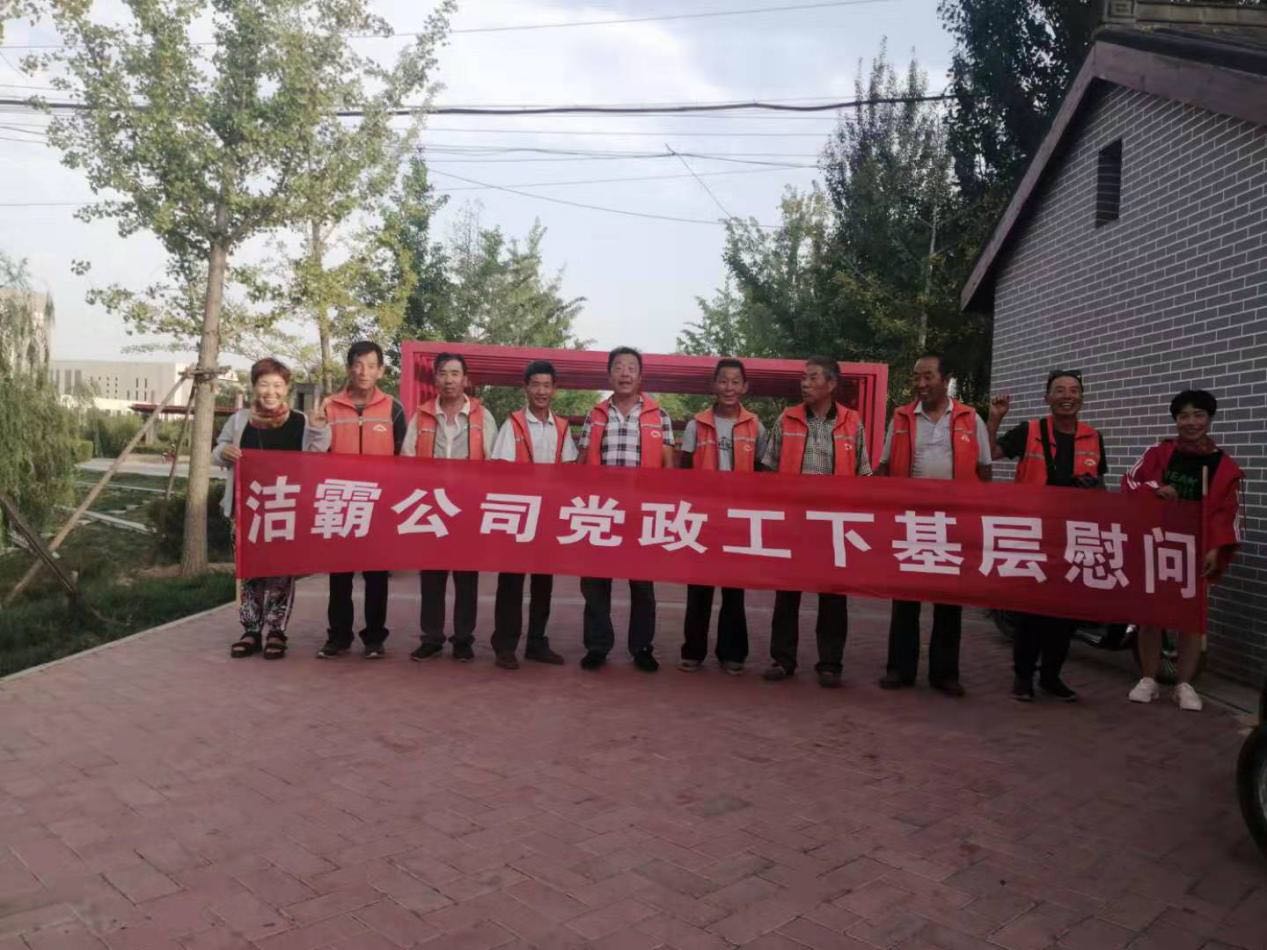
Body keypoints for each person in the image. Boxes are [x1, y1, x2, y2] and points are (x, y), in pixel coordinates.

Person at [987, 369, 1107, 702]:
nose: (1068, 396)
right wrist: (995, 418)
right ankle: (1023, 677)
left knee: (1065, 613)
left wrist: (1094, 492)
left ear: (1081, 397)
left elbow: (1101, 484)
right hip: (1034, 533)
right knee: (1031, 610)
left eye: (1074, 390)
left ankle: (1051, 676)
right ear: (1047, 398)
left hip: (1073, 535)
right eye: (1060, 390)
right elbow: (989, 453)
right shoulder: (1030, 431)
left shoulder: (1093, 437)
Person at [876, 355, 992, 698]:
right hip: (911, 520)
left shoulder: (970, 418)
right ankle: (899, 668)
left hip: (954, 522)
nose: (921, 384)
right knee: (905, 598)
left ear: (946, 379)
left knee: (949, 599)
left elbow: (984, 469)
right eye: (917, 378)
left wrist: (977, 513)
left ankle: (945, 673)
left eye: (928, 377)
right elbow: (885, 466)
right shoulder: (901, 417)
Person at [1122, 389, 1243, 712]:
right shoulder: (1159, 453)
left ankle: (1184, 684)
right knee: (1151, 616)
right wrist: (1155, 489)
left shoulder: (1223, 465)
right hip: (1156, 544)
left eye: (1198, 415)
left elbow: (1227, 512)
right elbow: (1130, 482)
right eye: (1184, 416)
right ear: (1176, 420)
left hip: (1195, 551)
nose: (1191, 422)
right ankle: (1148, 679)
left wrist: (1216, 548)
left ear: (1209, 419)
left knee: (1190, 619)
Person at [761, 356, 870, 689]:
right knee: (787, 594)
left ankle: (830, 664)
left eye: (812, 377)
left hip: (833, 524)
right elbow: (768, 468)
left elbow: (863, 473)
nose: (805, 383)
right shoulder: (787, 418)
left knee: (833, 595)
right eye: (803, 378)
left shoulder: (852, 422)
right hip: (794, 521)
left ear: (831, 384)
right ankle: (783, 660)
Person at [215, 358, 330, 660]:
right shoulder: (240, 420)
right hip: (246, 509)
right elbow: (218, 449)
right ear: (254, 387)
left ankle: (276, 631)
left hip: (284, 508)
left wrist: (319, 430)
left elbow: (317, 455)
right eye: (264, 384)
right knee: (250, 572)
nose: (270, 391)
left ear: (286, 388)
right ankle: (251, 630)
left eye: (277, 385)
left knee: (281, 572)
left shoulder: (300, 421)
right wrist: (224, 452)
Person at [575, 346, 675, 672]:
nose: (625, 373)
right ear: (609, 375)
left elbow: (668, 467)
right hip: (601, 511)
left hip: (641, 513)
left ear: (640, 376)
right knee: (595, 582)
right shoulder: (595, 414)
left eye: (631, 367)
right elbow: (582, 461)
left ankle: (642, 647)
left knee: (642, 584)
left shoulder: (659, 415)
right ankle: (597, 646)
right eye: (618, 367)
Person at [314, 341, 407, 659]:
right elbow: (315, 453)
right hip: (338, 502)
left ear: (381, 370)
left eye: (370, 365)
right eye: (357, 364)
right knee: (339, 576)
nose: (363, 371)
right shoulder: (329, 407)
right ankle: (338, 637)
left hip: (378, 505)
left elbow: (405, 458)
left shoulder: (393, 408)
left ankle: (374, 638)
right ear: (348, 368)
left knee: (376, 576)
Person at [403, 352, 497, 663]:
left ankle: (463, 639)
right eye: (443, 373)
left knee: (466, 579)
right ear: (435, 379)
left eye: (455, 374)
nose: (449, 380)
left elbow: (495, 463)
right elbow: (407, 459)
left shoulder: (483, 417)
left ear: (465, 380)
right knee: (432, 577)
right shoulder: (421, 416)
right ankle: (431, 637)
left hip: (468, 509)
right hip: (431, 507)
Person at [677, 358, 768, 675]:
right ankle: (693, 651)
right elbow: (684, 469)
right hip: (703, 519)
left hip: (738, 519)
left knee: (734, 589)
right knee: (699, 588)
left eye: (735, 381)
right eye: (723, 381)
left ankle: (733, 653)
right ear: (713, 385)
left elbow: (763, 471)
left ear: (745, 387)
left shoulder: (755, 426)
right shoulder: (697, 424)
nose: (729, 387)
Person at [488, 359, 576, 670]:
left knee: (543, 583)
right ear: (525, 387)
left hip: (548, 516)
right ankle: (505, 646)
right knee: (511, 583)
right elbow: (499, 470)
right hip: (517, 514)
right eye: (535, 385)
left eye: (546, 385)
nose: (541, 391)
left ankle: (537, 642)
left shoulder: (562, 427)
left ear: (555, 389)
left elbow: (568, 471)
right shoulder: (512, 424)